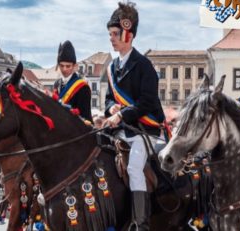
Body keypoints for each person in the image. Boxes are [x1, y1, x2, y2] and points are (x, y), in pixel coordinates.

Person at [104, 2, 165, 230]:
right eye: (109, 34)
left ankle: (141, 223)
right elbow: (109, 98)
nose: (111, 38)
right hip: (121, 130)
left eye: (115, 33)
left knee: (134, 168)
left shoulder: (144, 65)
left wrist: (121, 116)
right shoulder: (112, 68)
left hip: (146, 131)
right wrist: (111, 108)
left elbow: (147, 103)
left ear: (128, 34)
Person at [53, 40, 92, 123]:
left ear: (75, 66)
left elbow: (85, 116)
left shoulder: (82, 86)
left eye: (68, 66)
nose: (64, 69)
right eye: (61, 66)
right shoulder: (56, 84)